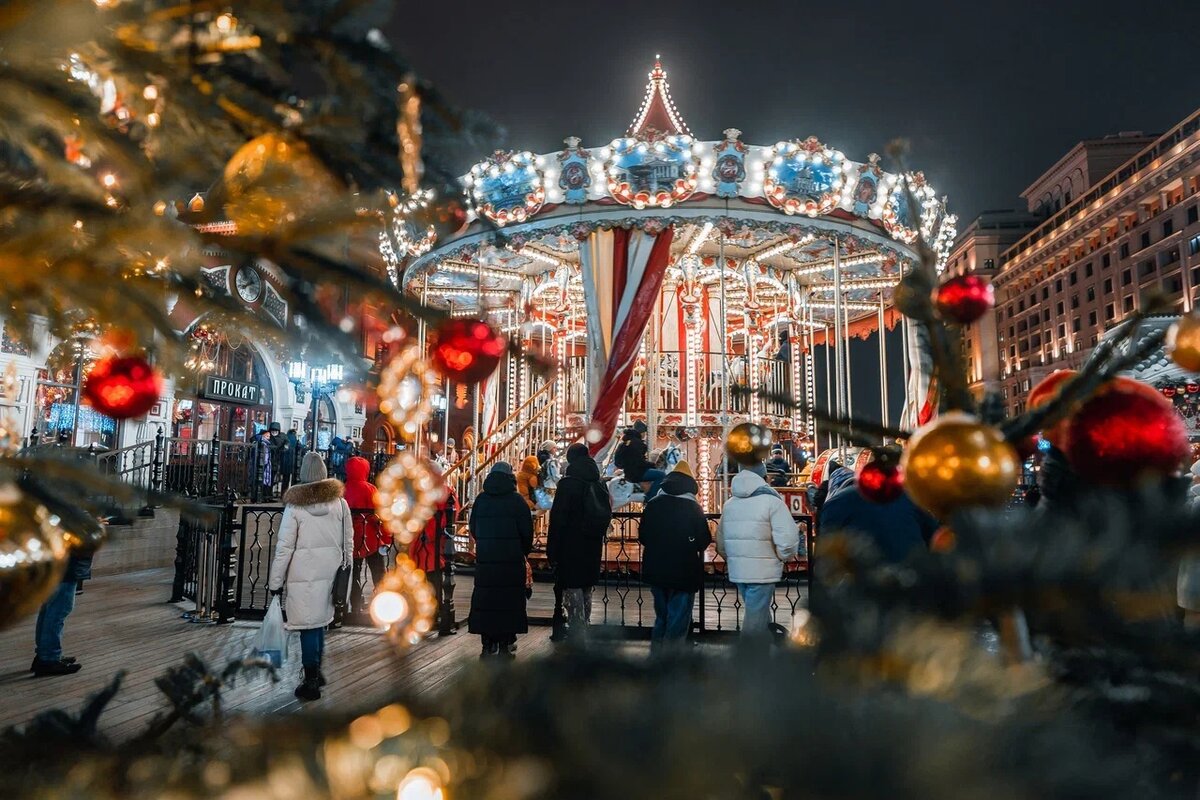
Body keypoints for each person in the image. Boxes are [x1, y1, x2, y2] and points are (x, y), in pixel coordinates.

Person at [268, 451, 353, 701]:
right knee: (318, 621)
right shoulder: (340, 503)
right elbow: (348, 539)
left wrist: (275, 582)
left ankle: (311, 679)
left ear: (303, 474)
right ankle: (317, 670)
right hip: (330, 571)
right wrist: (346, 566)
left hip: (302, 574)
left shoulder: (296, 506)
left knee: (308, 625)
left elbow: (285, 547)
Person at [716, 462, 799, 639]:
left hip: (739, 569)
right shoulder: (772, 502)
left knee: (758, 612)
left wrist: (732, 559)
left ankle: (765, 649)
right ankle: (748, 658)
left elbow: (720, 541)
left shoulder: (730, 504)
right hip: (763, 570)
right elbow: (788, 539)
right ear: (764, 478)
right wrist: (783, 557)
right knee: (754, 619)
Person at [638, 461, 711, 649]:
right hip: (683, 568)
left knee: (661, 615)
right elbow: (704, 540)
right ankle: (672, 656)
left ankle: (657, 650)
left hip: (656, 567)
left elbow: (643, 536)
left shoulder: (653, 504)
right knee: (678, 615)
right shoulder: (693, 507)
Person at [546, 443, 612, 642]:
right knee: (586, 586)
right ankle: (585, 623)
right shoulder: (599, 482)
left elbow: (558, 519)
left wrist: (552, 549)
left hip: (571, 543)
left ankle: (577, 630)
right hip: (592, 543)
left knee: (572, 585)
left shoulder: (568, 484)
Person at [468, 462, 534, 657]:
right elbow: (526, 532)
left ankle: (487, 643)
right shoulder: (517, 501)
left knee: (487, 599)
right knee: (508, 601)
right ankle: (506, 642)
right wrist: (522, 551)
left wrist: (485, 544)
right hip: (511, 560)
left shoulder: (481, 500)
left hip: (487, 558)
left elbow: (474, 527)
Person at [818, 465, 938, 563]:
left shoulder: (835, 503)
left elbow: (827, 551)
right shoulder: (908, 495)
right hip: (914, 571)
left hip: (864, 578)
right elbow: (933, 535)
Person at [30, 552, 92, 676]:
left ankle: (44, 654)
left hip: (61, 565)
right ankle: (49, 659)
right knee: (57, 612)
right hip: (67, 566)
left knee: (49, 610)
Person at [342, 454, 388, 616]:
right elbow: (381, 513)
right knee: (378, 572)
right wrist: (386, 536)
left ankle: (355, 604)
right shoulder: (371, 489)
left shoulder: (343, 490)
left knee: (354, 573)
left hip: (351, 538)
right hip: (371, 538)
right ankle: (383, 603)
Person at [411, 482, 458, 635]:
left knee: (423, 578)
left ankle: (420, 611)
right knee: (434, 578)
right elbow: (452, 514)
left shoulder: (416, 486)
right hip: (433, 542)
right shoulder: (445, 490)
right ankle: (434, 612)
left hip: (419, 541)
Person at [614, 420, 666, 499]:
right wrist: (652, 465)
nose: (645, 434)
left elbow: (617, 461)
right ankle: (650, 497)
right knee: (661, 475)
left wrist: (626, 465)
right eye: (644, 432)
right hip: (637, 473)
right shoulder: (638, 444)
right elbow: (640, 462)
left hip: (627, 472)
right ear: (641, 432)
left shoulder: (625, 442)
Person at [279, 428, 298, 496]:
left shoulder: (286, 438)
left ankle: (283, 494)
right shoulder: (294, 439)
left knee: (285, 479)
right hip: (293, 461)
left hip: (284, 461)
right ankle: (292, 494)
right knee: (293, 479)